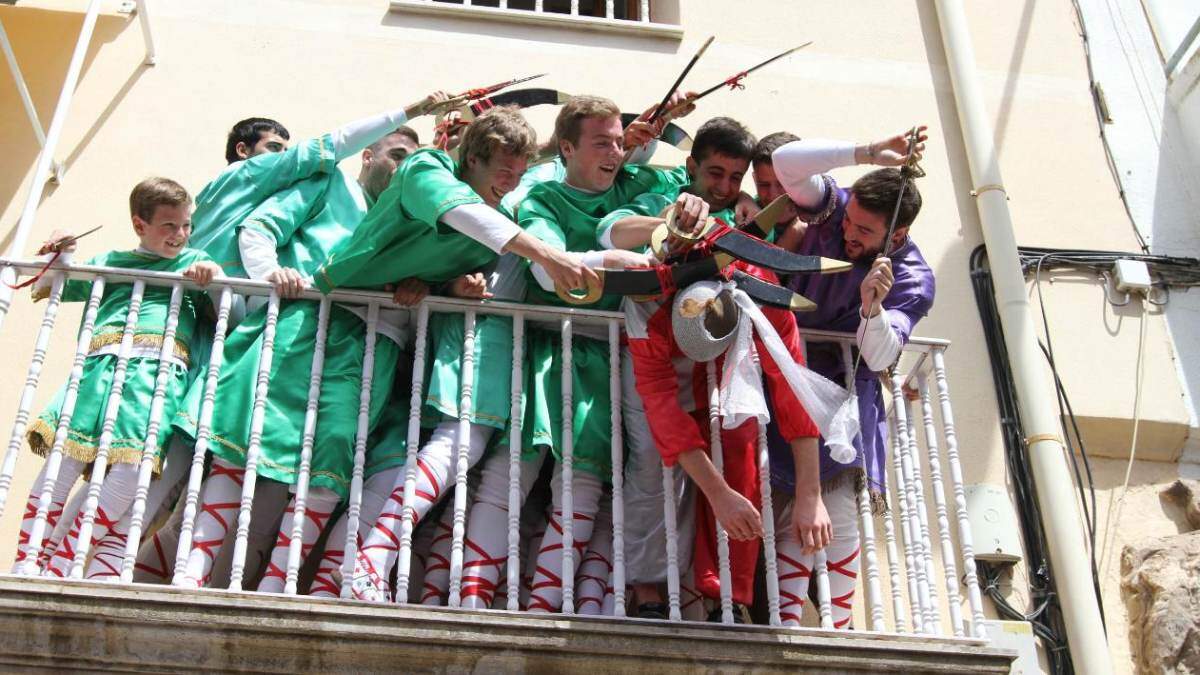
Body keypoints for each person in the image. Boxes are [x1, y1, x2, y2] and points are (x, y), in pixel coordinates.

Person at [179, 105, 593, 591]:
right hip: (319, 321)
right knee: (247, 447)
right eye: (504, 168)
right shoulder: (427, 168)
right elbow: (457, 211)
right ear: (474, 157)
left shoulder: (493, 229)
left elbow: (446, 257)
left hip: (379, 343)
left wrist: (444, 288)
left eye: (519, 172)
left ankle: (278, 588)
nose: (510, 181)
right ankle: (191, 576)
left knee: (329, 466)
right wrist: (546, 252)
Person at [765, 127, 934, 628]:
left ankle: (834, 629)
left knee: (836, 517)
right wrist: (864, 152)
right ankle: (785, 625)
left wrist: (873, 309)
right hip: (785, 375)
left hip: (843, 390)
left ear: (896, 237)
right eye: (851, 220)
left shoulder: (912, 276)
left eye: (864, 231)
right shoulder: (832, 209)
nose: (848, 233)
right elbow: (785, 161)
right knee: (781, 513)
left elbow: (881, 353)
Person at [12, 178, 221, 578]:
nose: (180, 235)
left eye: (185, 225)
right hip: (101, 367)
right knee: (66, 460)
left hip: (160, 377)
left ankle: (61, 560)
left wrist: (211, 273)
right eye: (168, 226)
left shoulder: (193, 262)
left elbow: (223, 300)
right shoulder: (113, 260)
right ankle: (30, 557)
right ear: (140, 225)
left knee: (133, 472)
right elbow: (45, 284)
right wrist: (64, 250)